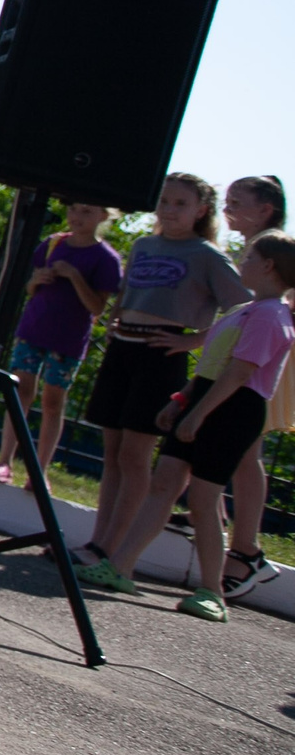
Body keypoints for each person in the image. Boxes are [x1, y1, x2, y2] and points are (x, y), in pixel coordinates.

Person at [79, 232, 294, 624]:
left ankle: (212, 591)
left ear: (268, 266)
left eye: (249, 257)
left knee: (203, 498)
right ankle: (120, 566)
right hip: (207, 398)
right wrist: (182, 400)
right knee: (164, 483)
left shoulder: (271, 316)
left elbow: (239, 373)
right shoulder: (246, 309)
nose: (241, 262)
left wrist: (198, 415)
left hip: (235, 408)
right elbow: (212, 363)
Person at [75, 173, 248, 565]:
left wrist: (192, 340)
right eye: (165, 201)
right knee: (113, 451)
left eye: (180, 204)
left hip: (161, 355)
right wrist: (115, 324)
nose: (169, 210)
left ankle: (111, 550)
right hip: (124, 348)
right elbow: (124, 297)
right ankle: (95, 542)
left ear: (201, 211)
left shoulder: (207, 254)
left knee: (136, 455)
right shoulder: (143, 244)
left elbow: (243, 308)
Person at [0, 200, 120, 484]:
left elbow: (97, 307)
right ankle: (5, 461)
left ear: (103, 214)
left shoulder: (106, 258)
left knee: (53, 402)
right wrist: (37, 280)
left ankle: (38, 471)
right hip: (33, 330)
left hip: (68, 339)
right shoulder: (53, 244)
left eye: (87, 210)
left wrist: (75, 277)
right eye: (74, 209)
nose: (77, 216)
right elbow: (31, 288)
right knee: (19, 393)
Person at [220, 173, 288, 599]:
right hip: (252, 352)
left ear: (265, 209)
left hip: (268, 359)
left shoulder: (277, 252)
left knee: (248, 446)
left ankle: (246, 549)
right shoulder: (254, 252)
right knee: (237, 443)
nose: (227, 208)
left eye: (236, 201)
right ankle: (209, 522)